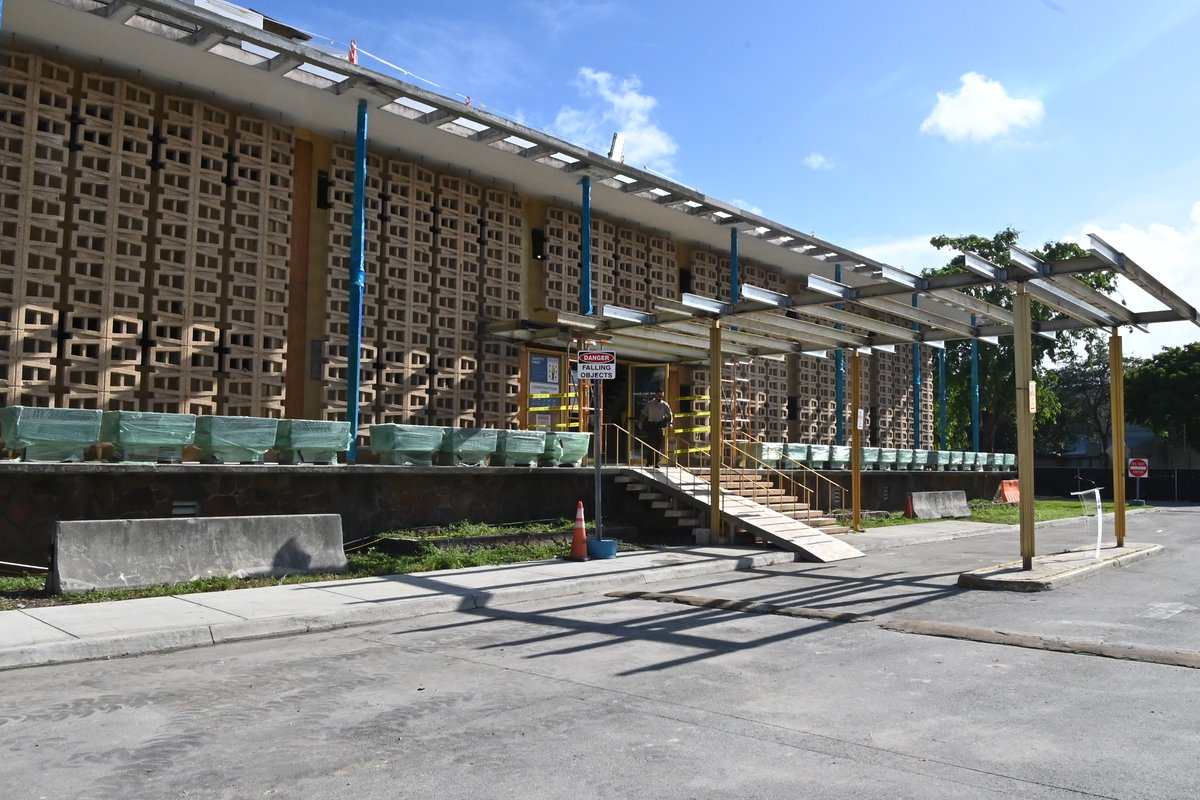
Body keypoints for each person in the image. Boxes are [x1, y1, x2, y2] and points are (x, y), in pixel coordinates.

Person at [638, 389, 673, 467]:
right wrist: (640, 422)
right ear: (655, 395)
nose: (660, 397)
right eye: (659, 396)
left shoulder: (664, 405)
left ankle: (656, 462)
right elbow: (644, 414)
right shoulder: (649, 404)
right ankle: (649, 461)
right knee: (651, 444)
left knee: (658, 445)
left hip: (659, 426)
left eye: (661, 396)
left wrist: (670, 423)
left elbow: (670, 414)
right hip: (651, 426)